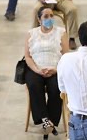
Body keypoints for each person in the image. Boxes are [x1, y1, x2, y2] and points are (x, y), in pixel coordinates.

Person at [25, 7, 69, 137]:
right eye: (46, 16)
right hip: (36, 68)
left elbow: (66, 55)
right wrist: (37, 70)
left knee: (56, 87)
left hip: (55, 68)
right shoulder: (31, 33)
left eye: (51, 16)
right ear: (39, 19)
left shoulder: (61, 32)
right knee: (34, 85)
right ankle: (45, 120)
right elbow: (27, 56)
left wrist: (55, 69)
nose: (49, 19)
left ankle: (51, 121)